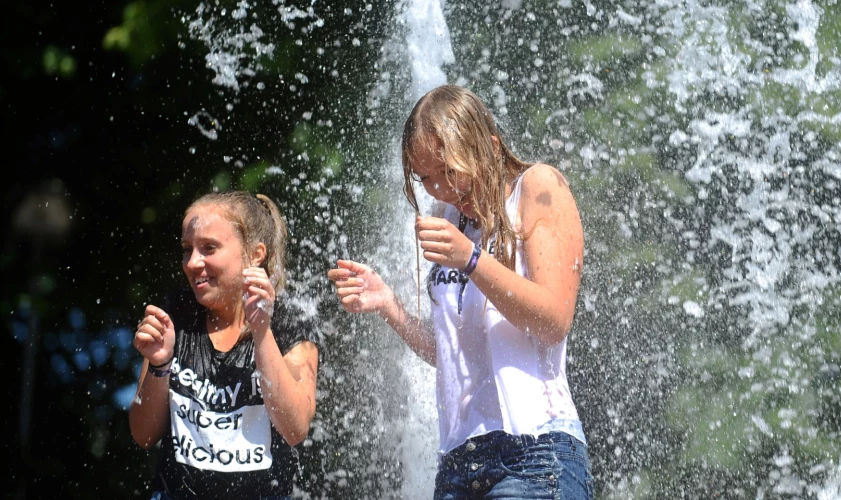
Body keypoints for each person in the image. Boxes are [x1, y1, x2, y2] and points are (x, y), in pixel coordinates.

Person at [328, 85, 594, 499]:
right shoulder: (450, 217)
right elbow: (451, 355)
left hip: (534, 453)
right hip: (457, 461)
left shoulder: (536, 188)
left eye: (449, 172)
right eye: (426, 178)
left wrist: (472, 259)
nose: (440, 191)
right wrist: (388, 304)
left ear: (487, 146)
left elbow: (553, 321)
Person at [129, 191, 320, 499]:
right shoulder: (177, 314)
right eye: (187, 249)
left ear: (255, 254)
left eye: (209, 248)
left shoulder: (290, 322)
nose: (192, 263)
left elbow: (295, 428)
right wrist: (160, 366)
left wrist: (261, 332)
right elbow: (143, 435)